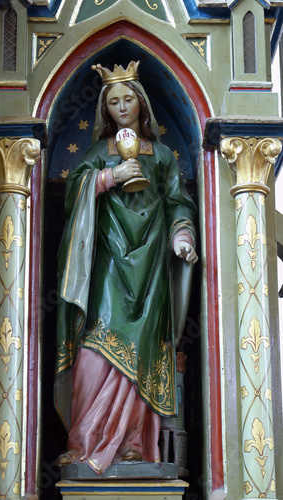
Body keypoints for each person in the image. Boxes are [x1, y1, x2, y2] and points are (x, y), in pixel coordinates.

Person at [54, 61, 198, 475]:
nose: (121, 107)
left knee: (141, 355)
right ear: (105, 108)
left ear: (142, 104)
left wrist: (181, 236)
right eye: (113, 101)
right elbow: (72, 201)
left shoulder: (164, 155)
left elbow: (178, 202)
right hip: (106, 266)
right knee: (92, 358)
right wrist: (108, 177)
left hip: (151, 269)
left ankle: (135, 446)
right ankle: (82, 445)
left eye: (127, 99)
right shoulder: (97, 154)